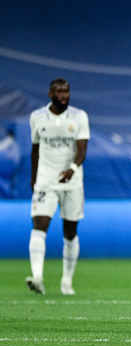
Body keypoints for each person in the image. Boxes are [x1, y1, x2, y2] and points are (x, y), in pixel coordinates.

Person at [26, 78, 90, 296]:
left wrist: (72, 168)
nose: (64, 95)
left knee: (70, 232)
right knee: (39, 225)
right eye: (59, 92)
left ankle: (66, 281)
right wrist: (34, 178)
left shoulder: (79, 116)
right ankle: (37, 277)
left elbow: (82, 149)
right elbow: (35, 150)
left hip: (72, 182)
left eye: (67, 92)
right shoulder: (36, 118)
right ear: (50, 94)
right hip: (46, 180)